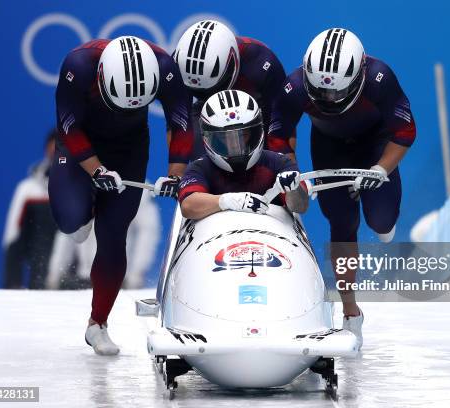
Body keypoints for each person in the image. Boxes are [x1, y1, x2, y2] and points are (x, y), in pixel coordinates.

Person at [267, 28, 417, 349]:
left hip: (375, 144)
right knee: (342, 223)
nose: (329, 100)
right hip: (330, 147)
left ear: (358, 77)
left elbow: (404, 131)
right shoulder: (293, 86)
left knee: (380, 221)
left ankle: (385, 221)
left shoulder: (380, 78)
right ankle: (351, 311)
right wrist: (295, 174)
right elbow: (279, 137)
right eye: (321, 94)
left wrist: (381, 168)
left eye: (337, 93)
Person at [50, 36, 193, 355]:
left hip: (128, 147)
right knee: (71, 220)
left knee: (114, 235)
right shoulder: (78, 65)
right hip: (79, 144)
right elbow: (69, 126)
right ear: (101, 79)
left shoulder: (165, 67)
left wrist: (175, 175)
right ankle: (81, 209)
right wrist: (96, 170)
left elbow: (181, 123)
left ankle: (97, 323)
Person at [173, 20, 295, 159]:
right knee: (201, 162)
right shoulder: (179, 65)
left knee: (269, 162)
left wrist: (288, 169)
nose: (206, 94)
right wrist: (176, 176)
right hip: (205, 110)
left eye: (213, 88)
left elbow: (282, 125)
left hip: (256, 110)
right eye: (197, 92)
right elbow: (177, 125)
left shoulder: (263, 62)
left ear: (233, 63)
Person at [178, 90, 308, 220]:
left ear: (256, 132)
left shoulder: (279, 163)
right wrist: (228, 201)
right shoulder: (200, 168)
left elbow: (300, 207)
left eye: (243, 135)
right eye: (225, 137)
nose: (234, 145)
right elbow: (188, 206)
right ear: (209, 138)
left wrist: (293, 188)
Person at [46, 188, 160, 290]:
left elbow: (147, 232)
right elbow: (68, 232)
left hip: (119, 279)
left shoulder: (137, 187)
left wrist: (137, 272)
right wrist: (55, 272)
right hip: (84, 277)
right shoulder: (81, 183)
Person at [2, 129, 58, 289]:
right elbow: (12, 238)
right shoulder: (27, 190)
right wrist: (12, 285)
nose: (57, 153)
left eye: (63, 147)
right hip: (39, 284)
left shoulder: (86, 189)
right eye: (53, 148)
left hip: (77, 288)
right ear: (47, 149)